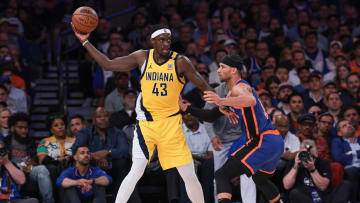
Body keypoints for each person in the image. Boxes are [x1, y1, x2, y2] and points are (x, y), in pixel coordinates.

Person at [72, 24, 212, 203]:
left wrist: (221, 103)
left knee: (189, 174)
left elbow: (203, 86)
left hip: (171, 125)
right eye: (161, 39)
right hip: (146, 126)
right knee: (136, 170)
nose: (166, 43)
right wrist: (85, 42)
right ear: (152, 41)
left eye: (168, 39)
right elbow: (107, 64)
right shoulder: (142, 57)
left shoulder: (181, 61)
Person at [203, 54, 284, 203]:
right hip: (272, 139)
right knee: (259, 178)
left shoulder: (240, 87)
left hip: (262, 140)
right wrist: (186, 109)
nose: (218, 70)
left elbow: (251, 100)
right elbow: (209, 116)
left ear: (234, 70)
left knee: (222, 175)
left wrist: (221, 101)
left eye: (222, 67)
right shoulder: (232, 92)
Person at [283, 139, 350, 203]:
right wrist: (295, 166)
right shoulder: (294, 163)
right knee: (294, 193)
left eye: (310, 155)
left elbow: (323, 187)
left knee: (345, 184)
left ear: (316, 154)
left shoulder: (323, 163)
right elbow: (287, 186)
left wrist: (312, 169)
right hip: (305, 197)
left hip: (324, 197)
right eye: (304, 154)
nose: (308, 158)